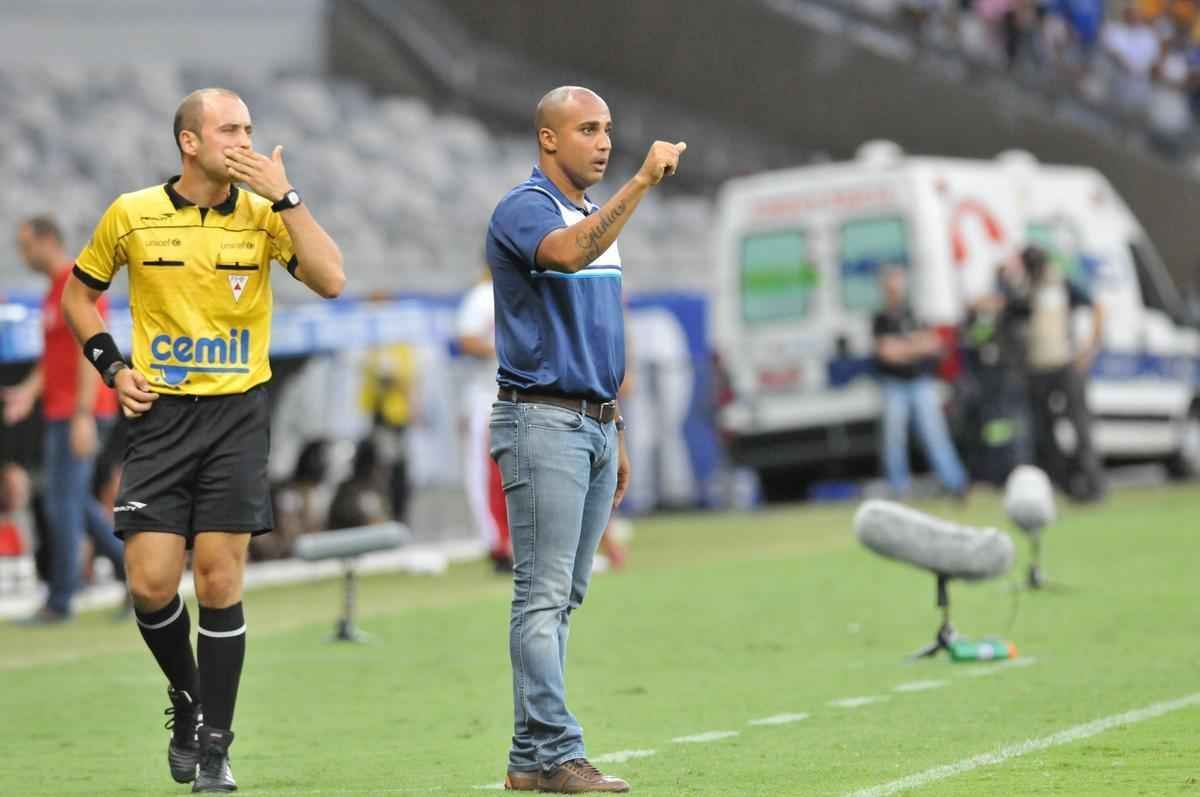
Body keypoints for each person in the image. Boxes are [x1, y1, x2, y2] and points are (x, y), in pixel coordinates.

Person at [60, 87, 344, 792]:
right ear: (190, 142)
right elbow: (76, 295)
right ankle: (188, 698)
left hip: (237, 417)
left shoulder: (264, 214)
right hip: (159, 418)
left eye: (249, 127)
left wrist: (289, 196)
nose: (244, 140)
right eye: (229, 129)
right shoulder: (131, 214)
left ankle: (215, 747)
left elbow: (334, 279)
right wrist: (112, 368)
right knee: (150, 584)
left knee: (219, 580)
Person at [486, 84, 684, 794]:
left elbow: (603, 326)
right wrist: (639, 183)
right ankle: (562, 752)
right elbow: (568, 255)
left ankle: (528, 759)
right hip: (542, 418)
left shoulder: (595, 216)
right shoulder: (525, 208)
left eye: (609, 129)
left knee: (562, 596)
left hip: (591, 421)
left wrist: (616, 424)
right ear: (549, 139)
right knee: (541, 595)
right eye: (589, 129)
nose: (604, 142)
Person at [4, 215, 125, 624]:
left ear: (47, 240)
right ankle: (140, 579)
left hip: (81, 413)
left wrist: (82, 416)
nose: (22, 255)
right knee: (73, 504)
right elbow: (53, 356)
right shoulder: (52, 293)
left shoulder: (80, 283)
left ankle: (61, 600)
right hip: (61, 412)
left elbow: (91, 352)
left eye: (25, 246)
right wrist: (27, 393)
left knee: (64, 506)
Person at [1006, 245, 1106, 500]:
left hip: (1064, 364)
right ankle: (1066, 484)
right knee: (1043, 430)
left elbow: (1097, 306)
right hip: (1037, 368)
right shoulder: (1024, 288)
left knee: (1080, 426)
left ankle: (1094, 486)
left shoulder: (1061, 284)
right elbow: (1010, 317)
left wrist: (1090, 348)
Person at [872, 266, 969, 498]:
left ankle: (955, 484)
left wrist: (904, 347)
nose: (896, 287)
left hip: (920, 383)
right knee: (894, 441)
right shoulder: (881, 318)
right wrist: (914, 346)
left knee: (935, 436)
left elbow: (934, 344)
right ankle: (899, 488)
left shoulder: (914, 313)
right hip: (894, 385)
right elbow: (886, 351)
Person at [456, 268, 513, 572]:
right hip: (486, 396)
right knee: (484, 473)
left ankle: (509, 540)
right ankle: (496, 543)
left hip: (516, 395)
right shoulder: (481, 297)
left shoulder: (522, 288)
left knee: (507, 474)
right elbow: (466, 339)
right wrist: (503, 350)